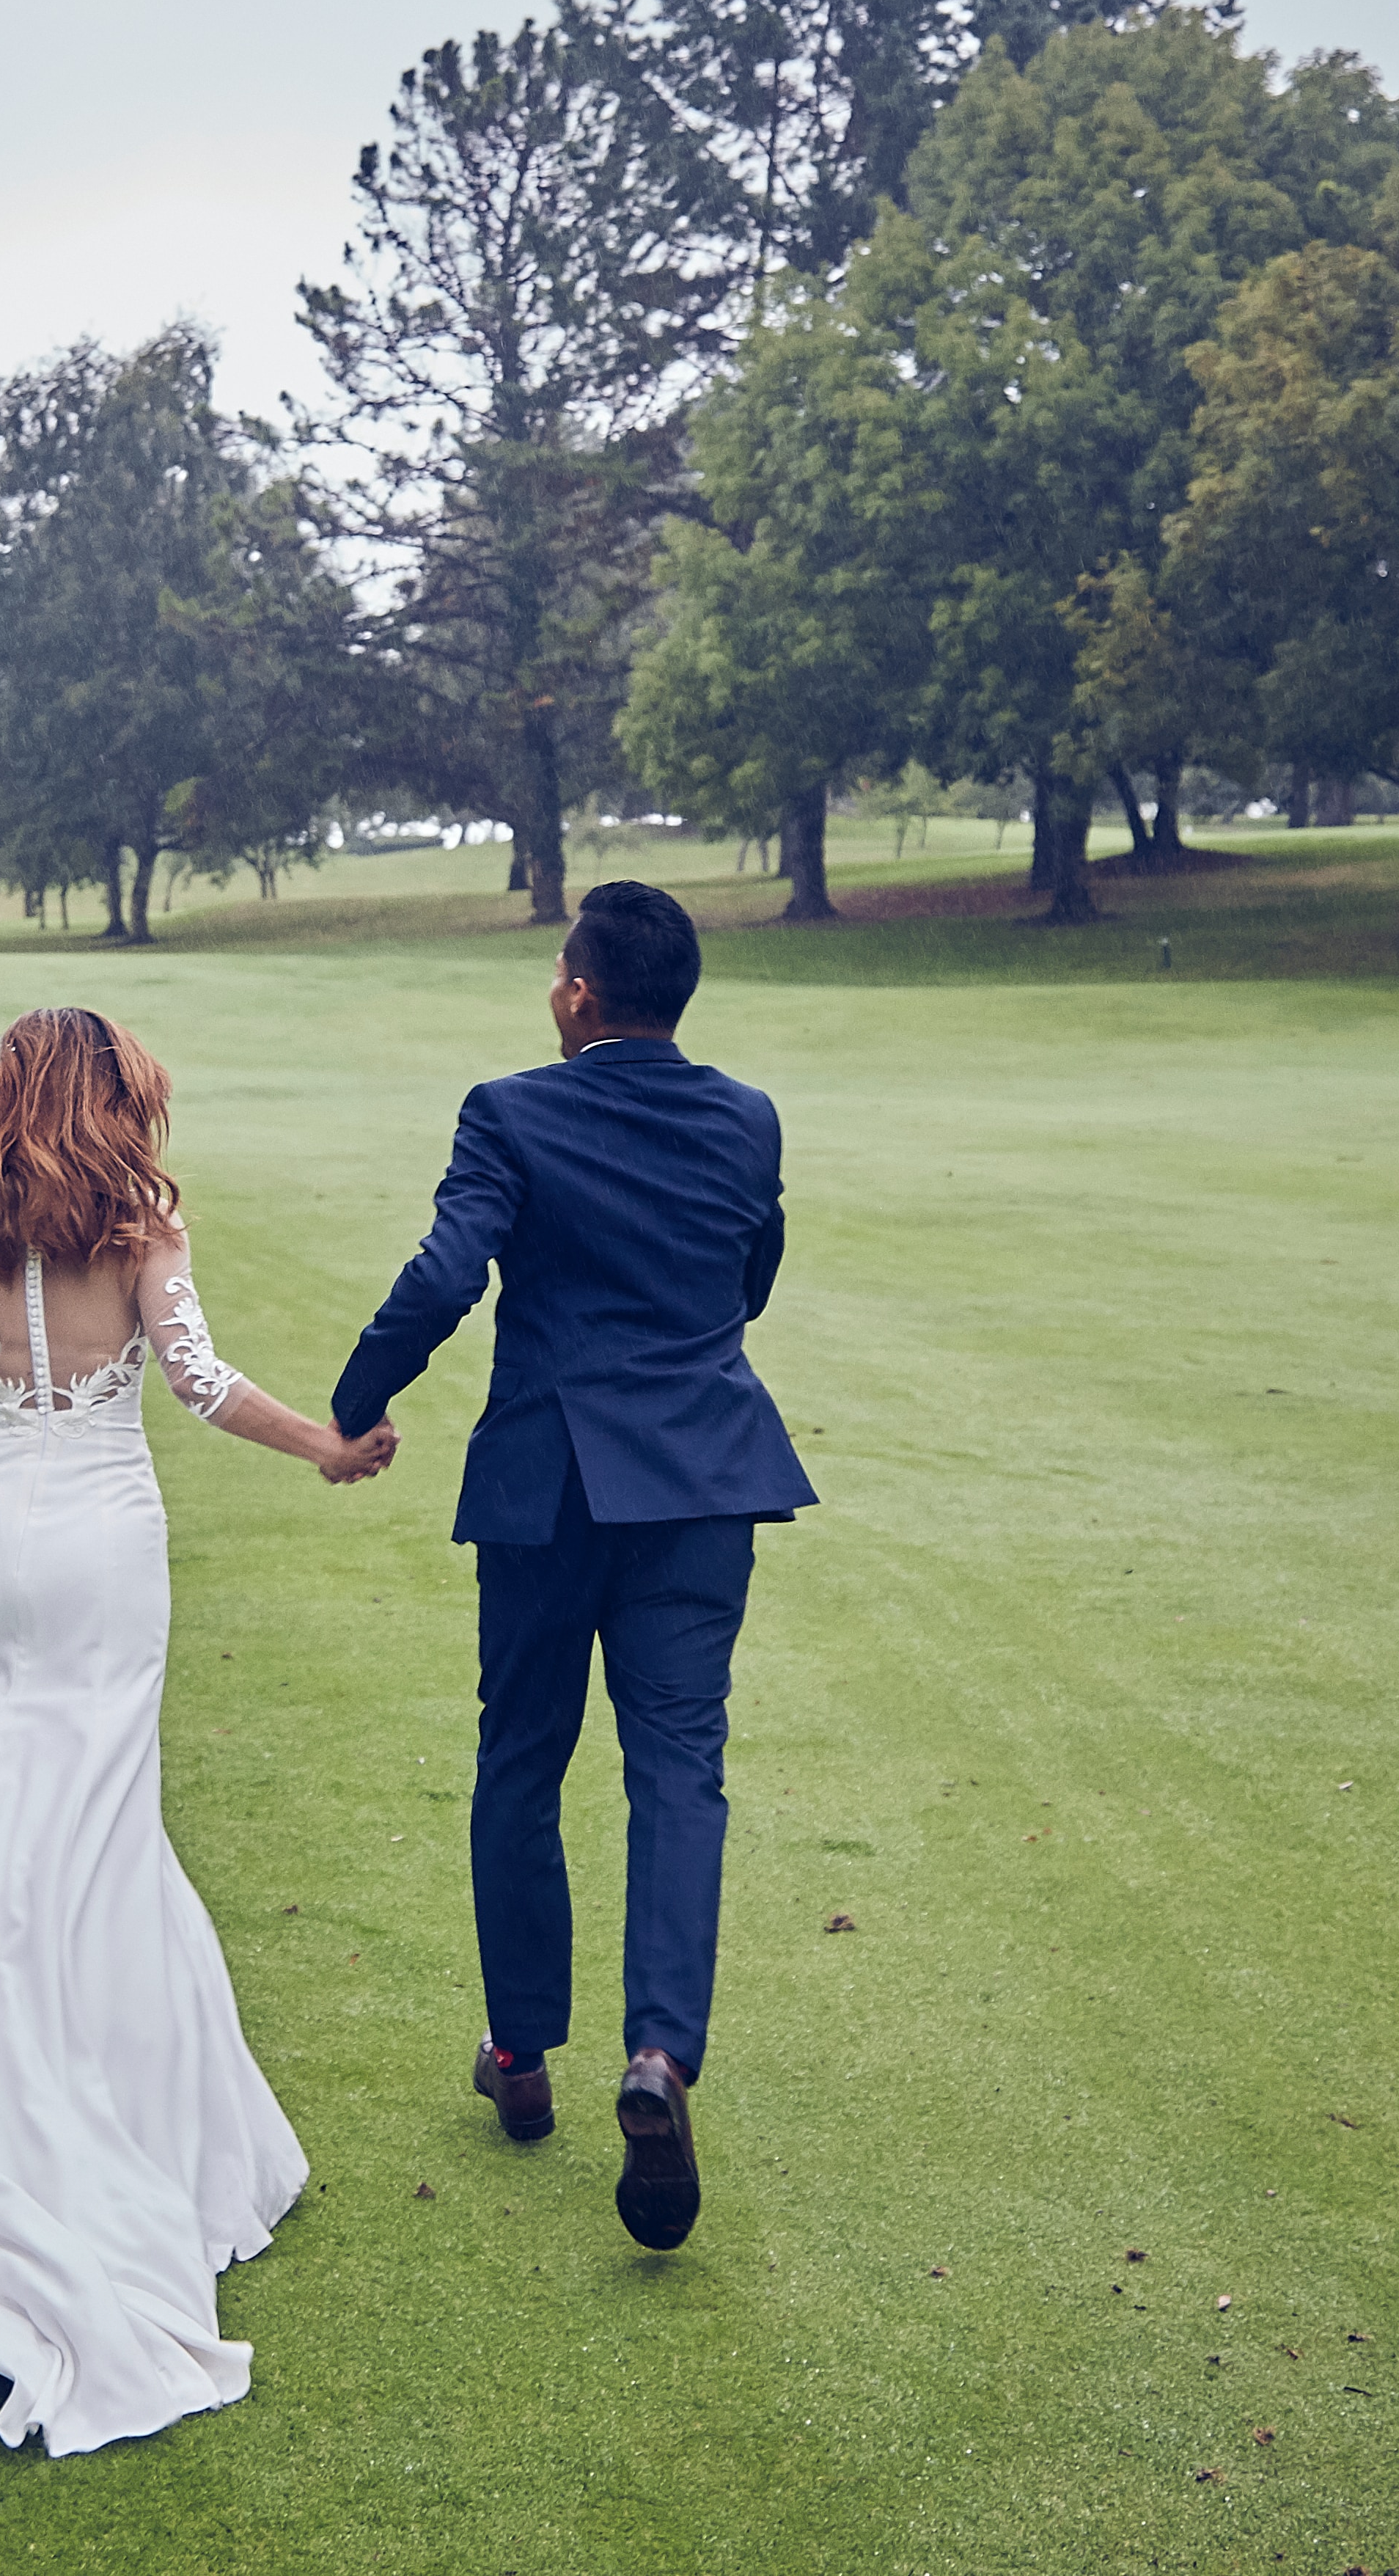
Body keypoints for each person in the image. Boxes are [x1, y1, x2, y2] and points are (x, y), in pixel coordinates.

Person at [0, 1007, 395, 2456]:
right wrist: (331, 1447)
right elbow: (203, 1384)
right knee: (90, 1835)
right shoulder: (140, 1227)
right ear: (112, 1102)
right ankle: (82, 2114)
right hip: (102, 1540)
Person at [329, 880, 815, 2250]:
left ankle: (521, 2053)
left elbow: (444, 1276)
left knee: (522, 1760)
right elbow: (750, 1270)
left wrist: (356, 1403)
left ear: (583, 995)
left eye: (559, 969)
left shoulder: (513, 1109)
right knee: (679, 1769)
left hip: (550, 1485)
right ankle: (658, 2056)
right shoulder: (746, 1116)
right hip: (704, 1480)